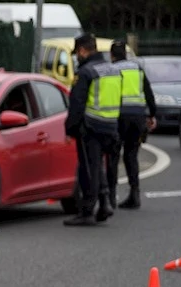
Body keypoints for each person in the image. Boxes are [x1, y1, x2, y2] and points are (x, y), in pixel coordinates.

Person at [64, 33, 122, 226]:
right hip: (111, 124)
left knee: (88, 169)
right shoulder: (112, 69)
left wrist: (71, 128)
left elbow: (77, 104)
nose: (76, 57)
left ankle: (87, 211)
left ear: (82, 50)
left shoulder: (86, 72)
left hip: (91, 127)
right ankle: (104, 203)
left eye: (77, 53)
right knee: (98, 167)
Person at [107, 41, 158, 210]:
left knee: (113, 155)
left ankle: (111, 196)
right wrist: (152, 114)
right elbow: (148, 92)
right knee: (131, 155)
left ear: (112, 55)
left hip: (118, 116)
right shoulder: (137, 69)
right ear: (126, 54)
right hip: (137, 118)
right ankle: (134, 194)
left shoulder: (112, 70)